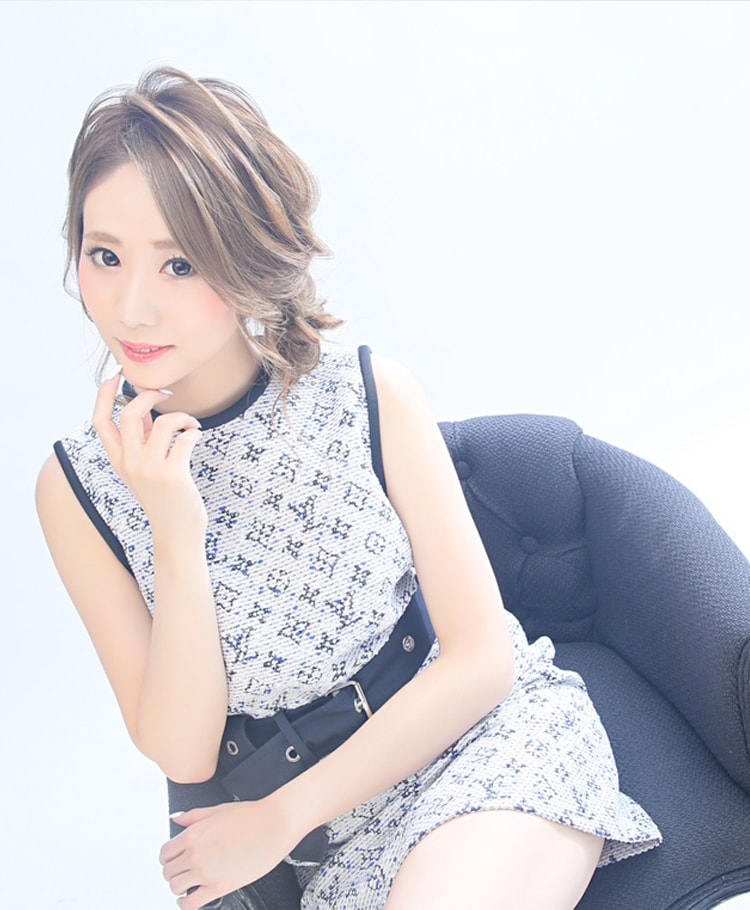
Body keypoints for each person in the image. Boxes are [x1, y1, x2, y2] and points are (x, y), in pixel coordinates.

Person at [36, 66, 661, 910]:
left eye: (180, 263)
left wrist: (281, 817)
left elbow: (479, 663)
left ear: (246, 256)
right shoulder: (78, 489)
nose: (134, 307)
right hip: (322, 844)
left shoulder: (365, 396)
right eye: (105, 256)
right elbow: (183, 753)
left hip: (479, 749)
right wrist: (175, 532)